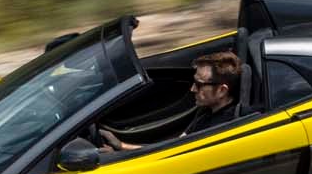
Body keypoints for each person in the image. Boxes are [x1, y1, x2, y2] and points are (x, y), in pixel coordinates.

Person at [97, 51, 242, 152]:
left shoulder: (218, 131)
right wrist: (121, 146)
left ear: (222, 90)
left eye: (199, 85)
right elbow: (174, 145)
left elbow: (173, 153)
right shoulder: (207, 110)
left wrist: (118, 155)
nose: (192, 89)